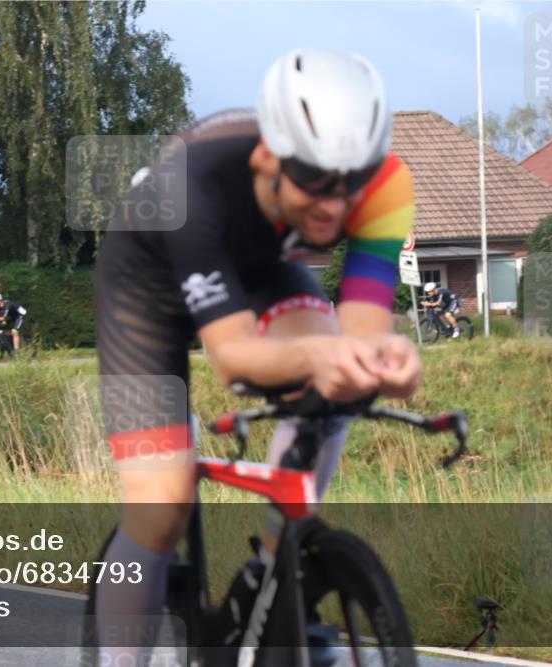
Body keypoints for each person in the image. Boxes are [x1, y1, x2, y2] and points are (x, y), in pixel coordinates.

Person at [93, 49, 422, 666]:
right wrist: (319, 356)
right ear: (269, 157)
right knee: (161, 504)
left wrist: (385, 360)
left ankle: (274, 571)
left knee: (338, 381)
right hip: (145, 285)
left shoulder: (386, 187)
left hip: (262, 269)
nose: (334, 205)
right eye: (314, 180)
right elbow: (235, 360)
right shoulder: (192, 186)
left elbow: (359, 336)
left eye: (350, 182)